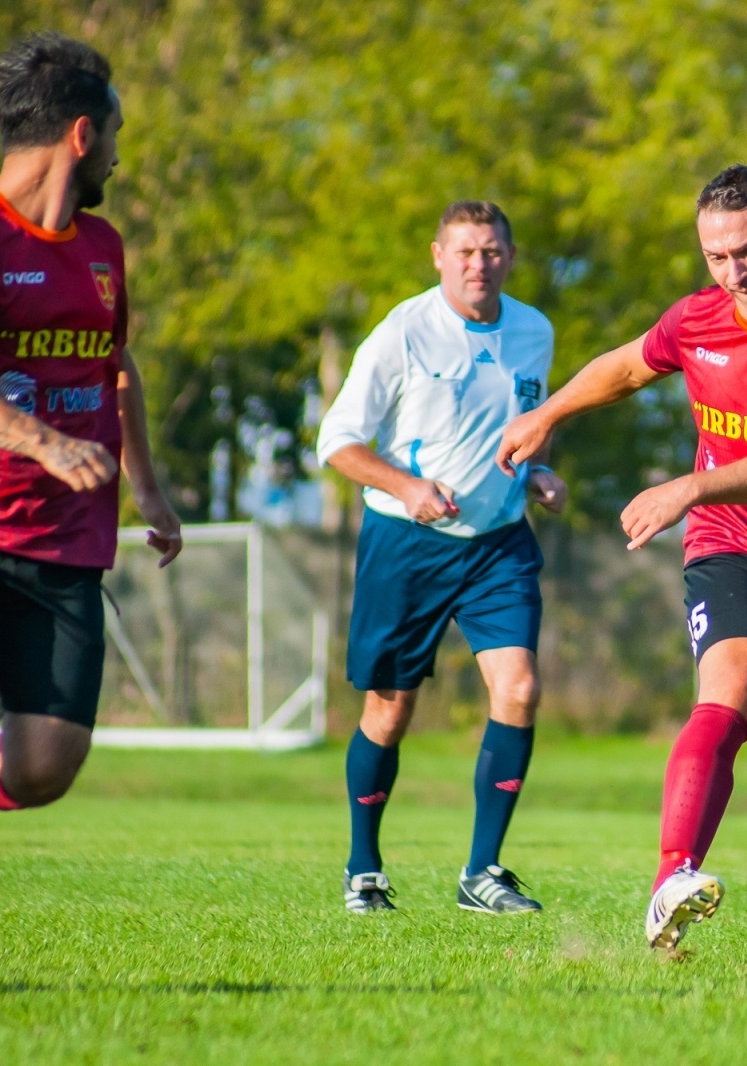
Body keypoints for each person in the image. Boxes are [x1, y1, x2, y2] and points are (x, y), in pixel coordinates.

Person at [497, 165, 747, 967]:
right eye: (715, 257)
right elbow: (629, 364)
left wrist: (690, 485)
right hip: (734, 544)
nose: (734, 273)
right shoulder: (700, 318)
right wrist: (548, 412)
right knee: (733, 687)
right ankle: (673, 878)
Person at [316, 200, 565, 915]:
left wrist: (536, 471)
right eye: (463, 252)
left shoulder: (534, 332)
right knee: (389, 711)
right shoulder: (402, 333)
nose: (477, 265)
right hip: (407, 544)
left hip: (498, 545)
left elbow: (523, 426)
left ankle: (483, 873)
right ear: (437, 256)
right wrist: (406, 485)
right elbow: (338, 441)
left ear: (510, 258)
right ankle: (364, 868)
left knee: (518, 690)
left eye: (490, 252)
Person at [0, 33, 182, 813]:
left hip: (66, 541)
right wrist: (42, 440)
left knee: (45, 767)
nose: (116, 157)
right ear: (82, 134)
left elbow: (116, 363)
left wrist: (149, 487)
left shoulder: (103, 247)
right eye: (114, 137)